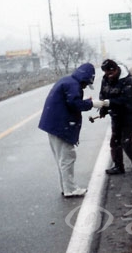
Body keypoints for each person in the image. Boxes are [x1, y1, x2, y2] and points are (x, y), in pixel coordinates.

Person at [38, 62, 104, 198]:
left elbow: (71, 100)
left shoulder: (67, 81)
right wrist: (91, 104)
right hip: (60, 126)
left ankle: (66, 187)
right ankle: (70, 189)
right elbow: (74, 104)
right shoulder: (74, 84)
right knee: (67, 158)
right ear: (85, 78)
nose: (85, 86)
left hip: (53, 125)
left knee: (61, 158)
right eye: (86, 83)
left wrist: (85, 101)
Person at [98, 59, 132, 178]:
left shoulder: (128, 81)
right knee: (114, 142)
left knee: (126, 142)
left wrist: (109, 103)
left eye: (111, 73)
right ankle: (118, 166)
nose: (109, 75)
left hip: (128, 115)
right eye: (106, 73)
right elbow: (103, 94)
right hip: (115, 115)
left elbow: (126, 100)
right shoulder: (105, 79)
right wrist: (103, 107)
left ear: (116, 70)